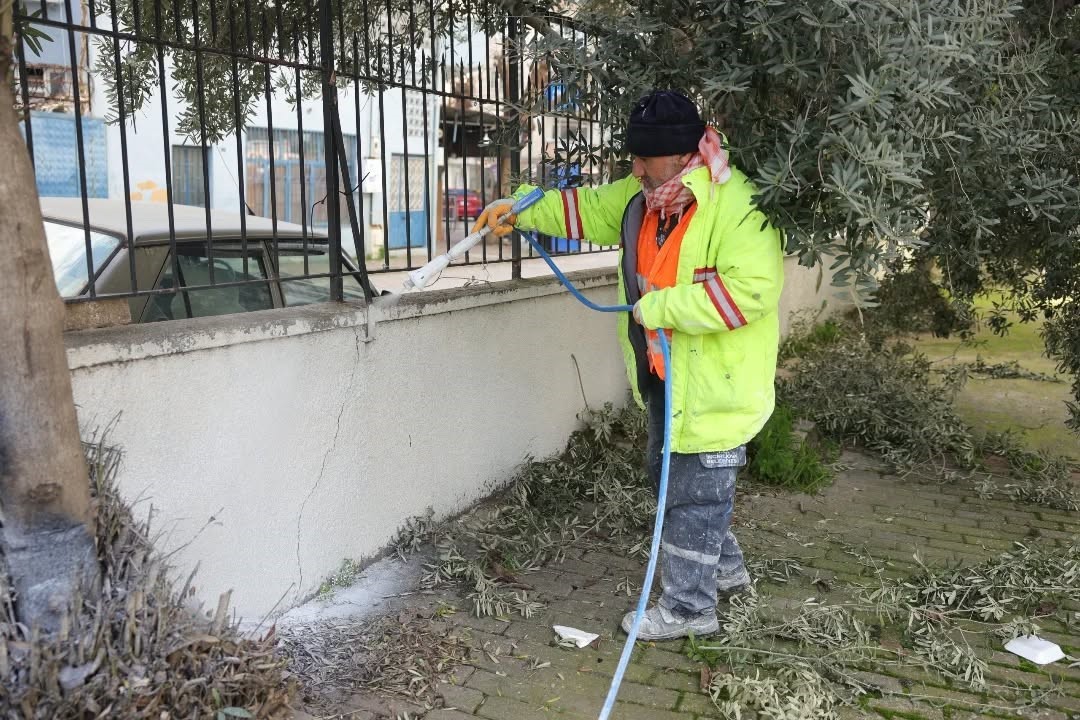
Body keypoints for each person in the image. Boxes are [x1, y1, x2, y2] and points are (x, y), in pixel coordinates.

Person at [472, 90, 785, 641]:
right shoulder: (640, 197)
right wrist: (519, 208)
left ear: (682, 153)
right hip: (666, 376)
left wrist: (660, 306)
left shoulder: (737, 205)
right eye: (633, 156)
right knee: (672, 478)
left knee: (692, 492)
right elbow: (582, 209)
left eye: (645, 158)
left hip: (716, 386)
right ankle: (724, 569)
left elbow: (749, 293)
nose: (635, 167)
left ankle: (691, 609)